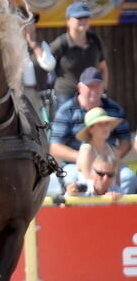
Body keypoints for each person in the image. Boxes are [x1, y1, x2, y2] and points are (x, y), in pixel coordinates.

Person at [49, 67, 134, 195]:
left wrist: (109, 161)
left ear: (103, 87)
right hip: (75, 164)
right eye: (90, 86)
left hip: (108, 162)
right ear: (80, 88)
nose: (94, 90)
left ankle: (121, 212)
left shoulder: (114, 108)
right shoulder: (66, 111)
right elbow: (55, 147)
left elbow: (125, 142)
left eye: (98, 86)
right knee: (72, 181)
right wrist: (90, 159)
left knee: (129, 178)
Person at [49, 1, 109, 112]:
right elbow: (45, 63)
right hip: (66, 95)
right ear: (68, 21)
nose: (83, 21)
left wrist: (102, 89)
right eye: (79, 18)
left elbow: (103, 67)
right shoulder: (60, 43)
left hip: (92, 94)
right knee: (66, 128)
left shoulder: (95, 40)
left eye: (86, 17)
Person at [19, 9, 55, 118]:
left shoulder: (42, 45)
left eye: (32, 23)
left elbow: (49, 65)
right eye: (26, 24)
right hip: (20, 94)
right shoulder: (13, 48)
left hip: (38, 93)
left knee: (41, 123)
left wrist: (33, 45)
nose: (29, 27)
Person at [75, 107, 123, 183]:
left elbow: (117, 183)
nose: (105, 127)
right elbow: (88, 182)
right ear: (90, 129)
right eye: (100, 124)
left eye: (106, 123)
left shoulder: (114, 152)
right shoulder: (86, 151)